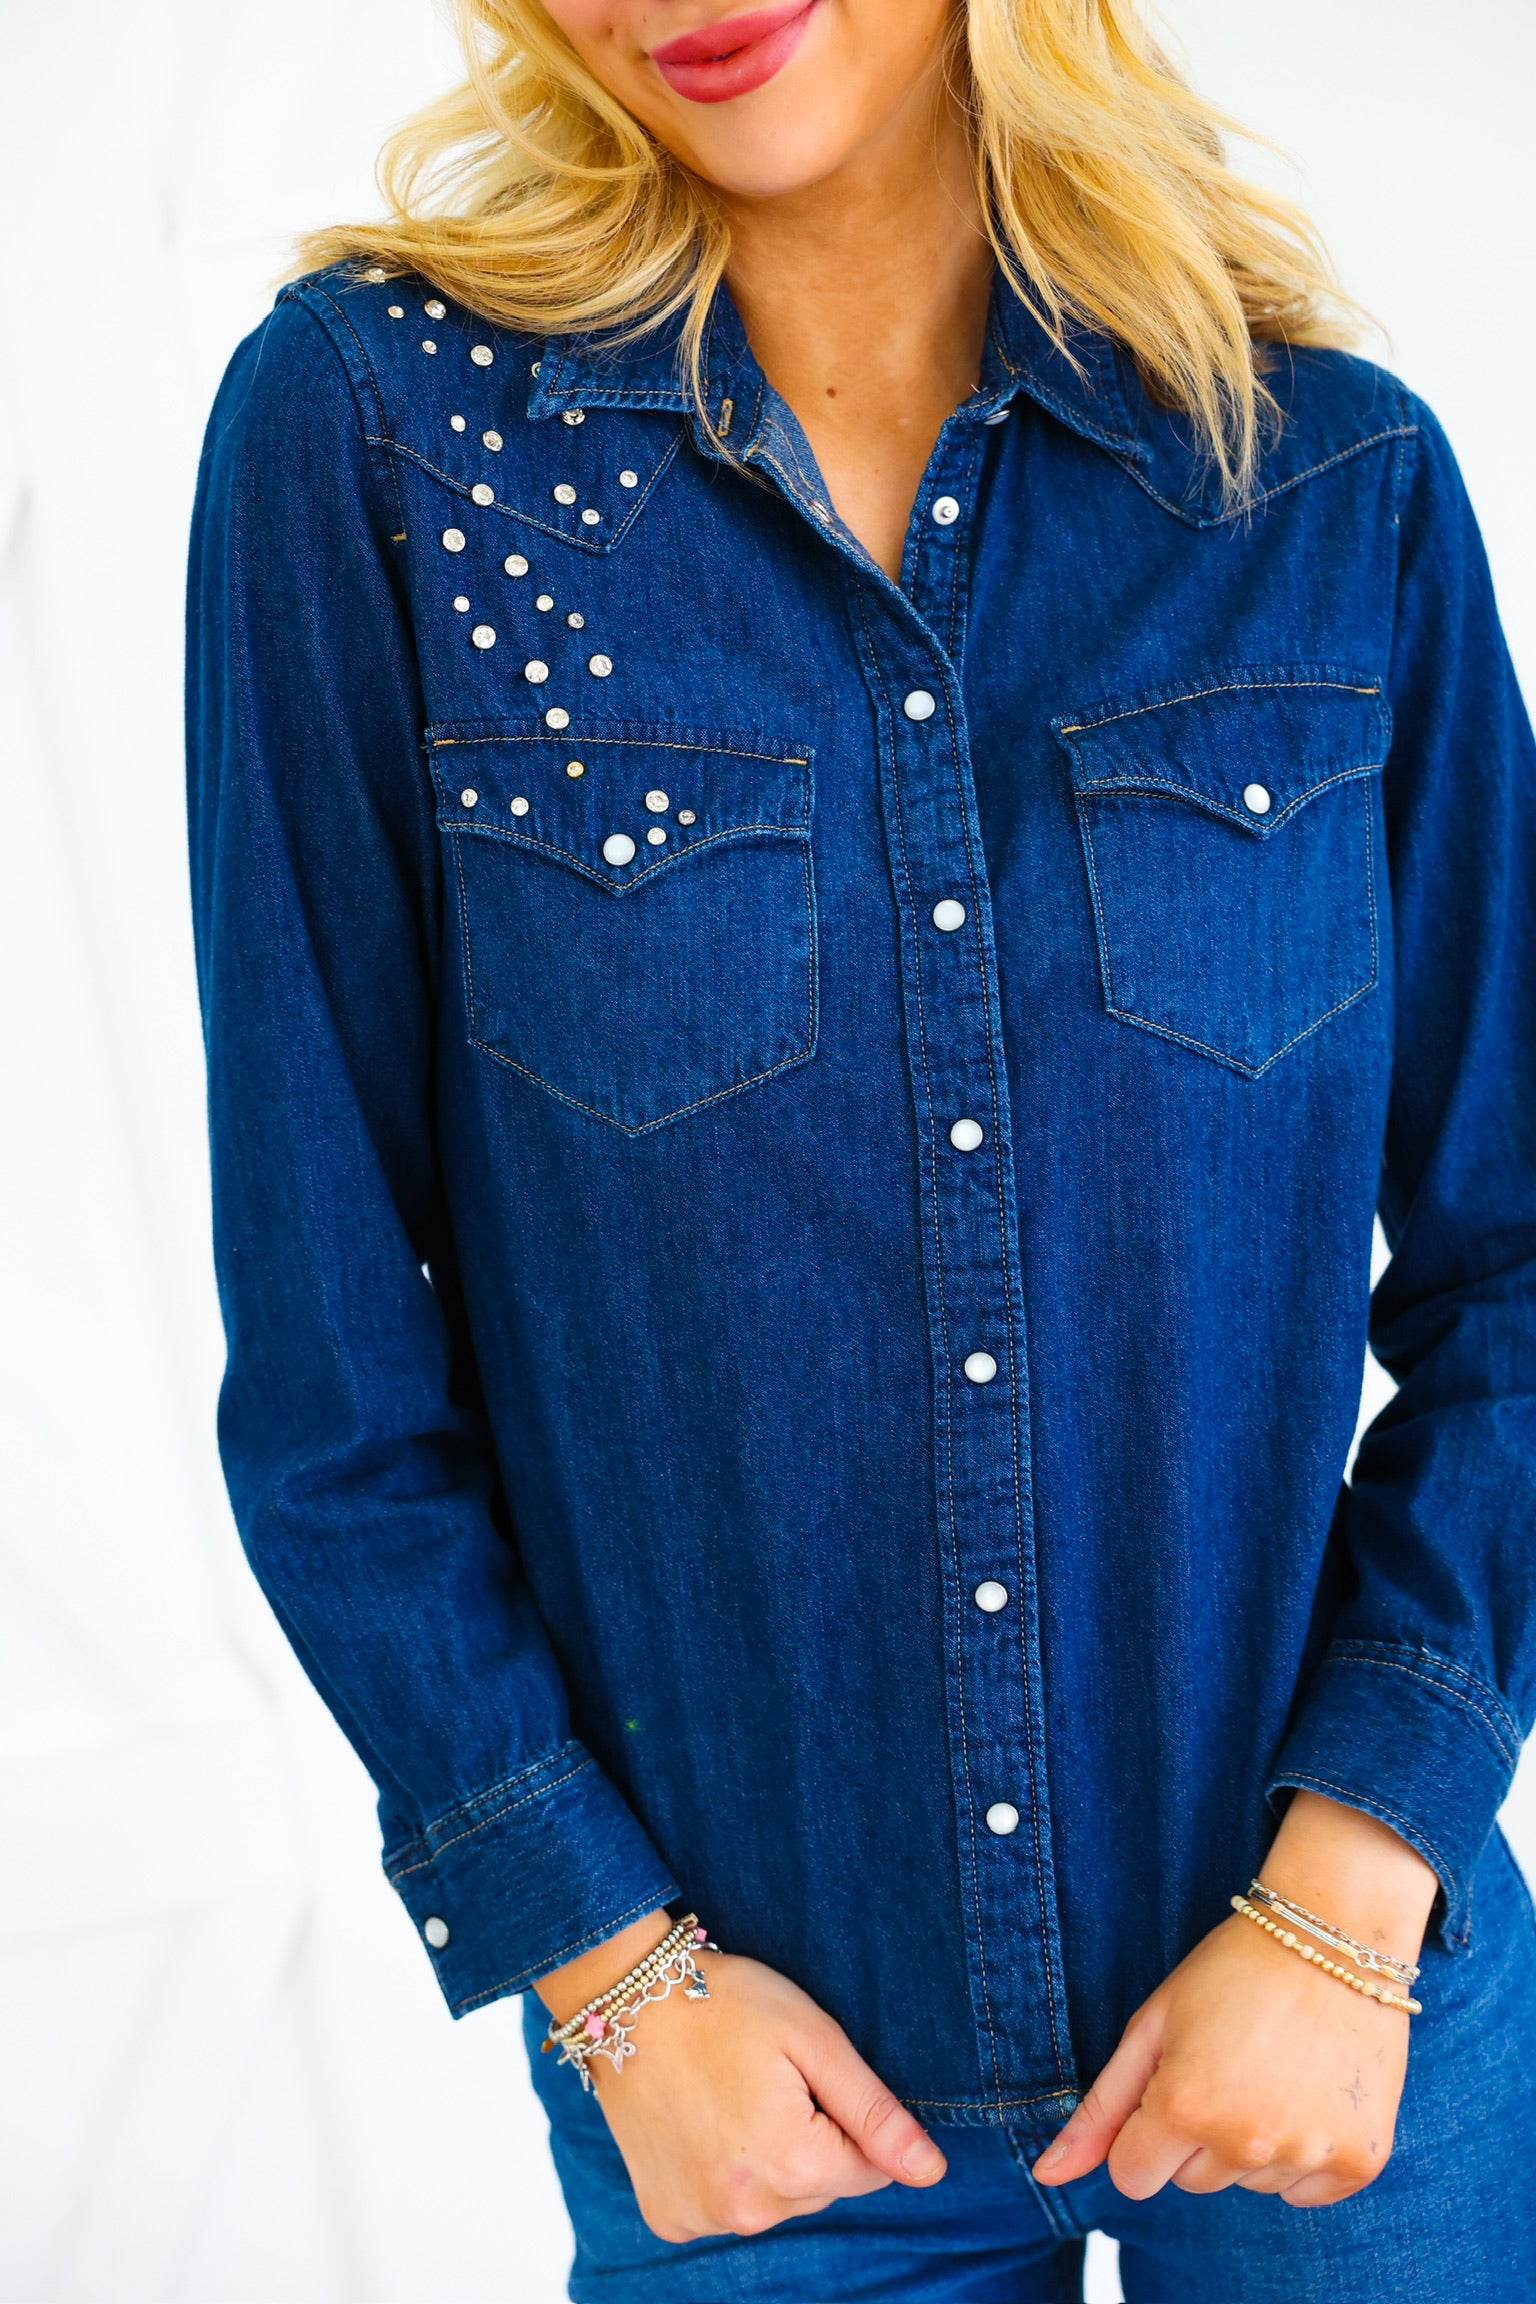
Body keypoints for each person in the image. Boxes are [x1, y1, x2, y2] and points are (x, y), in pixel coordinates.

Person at [185, 1, 1536, 2295]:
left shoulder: (1321, 486)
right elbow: (332, 1374)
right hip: (748, 2100)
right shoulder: (385, 440)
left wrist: (1356, 1880)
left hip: (1342, 2018)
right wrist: (610, 1971)